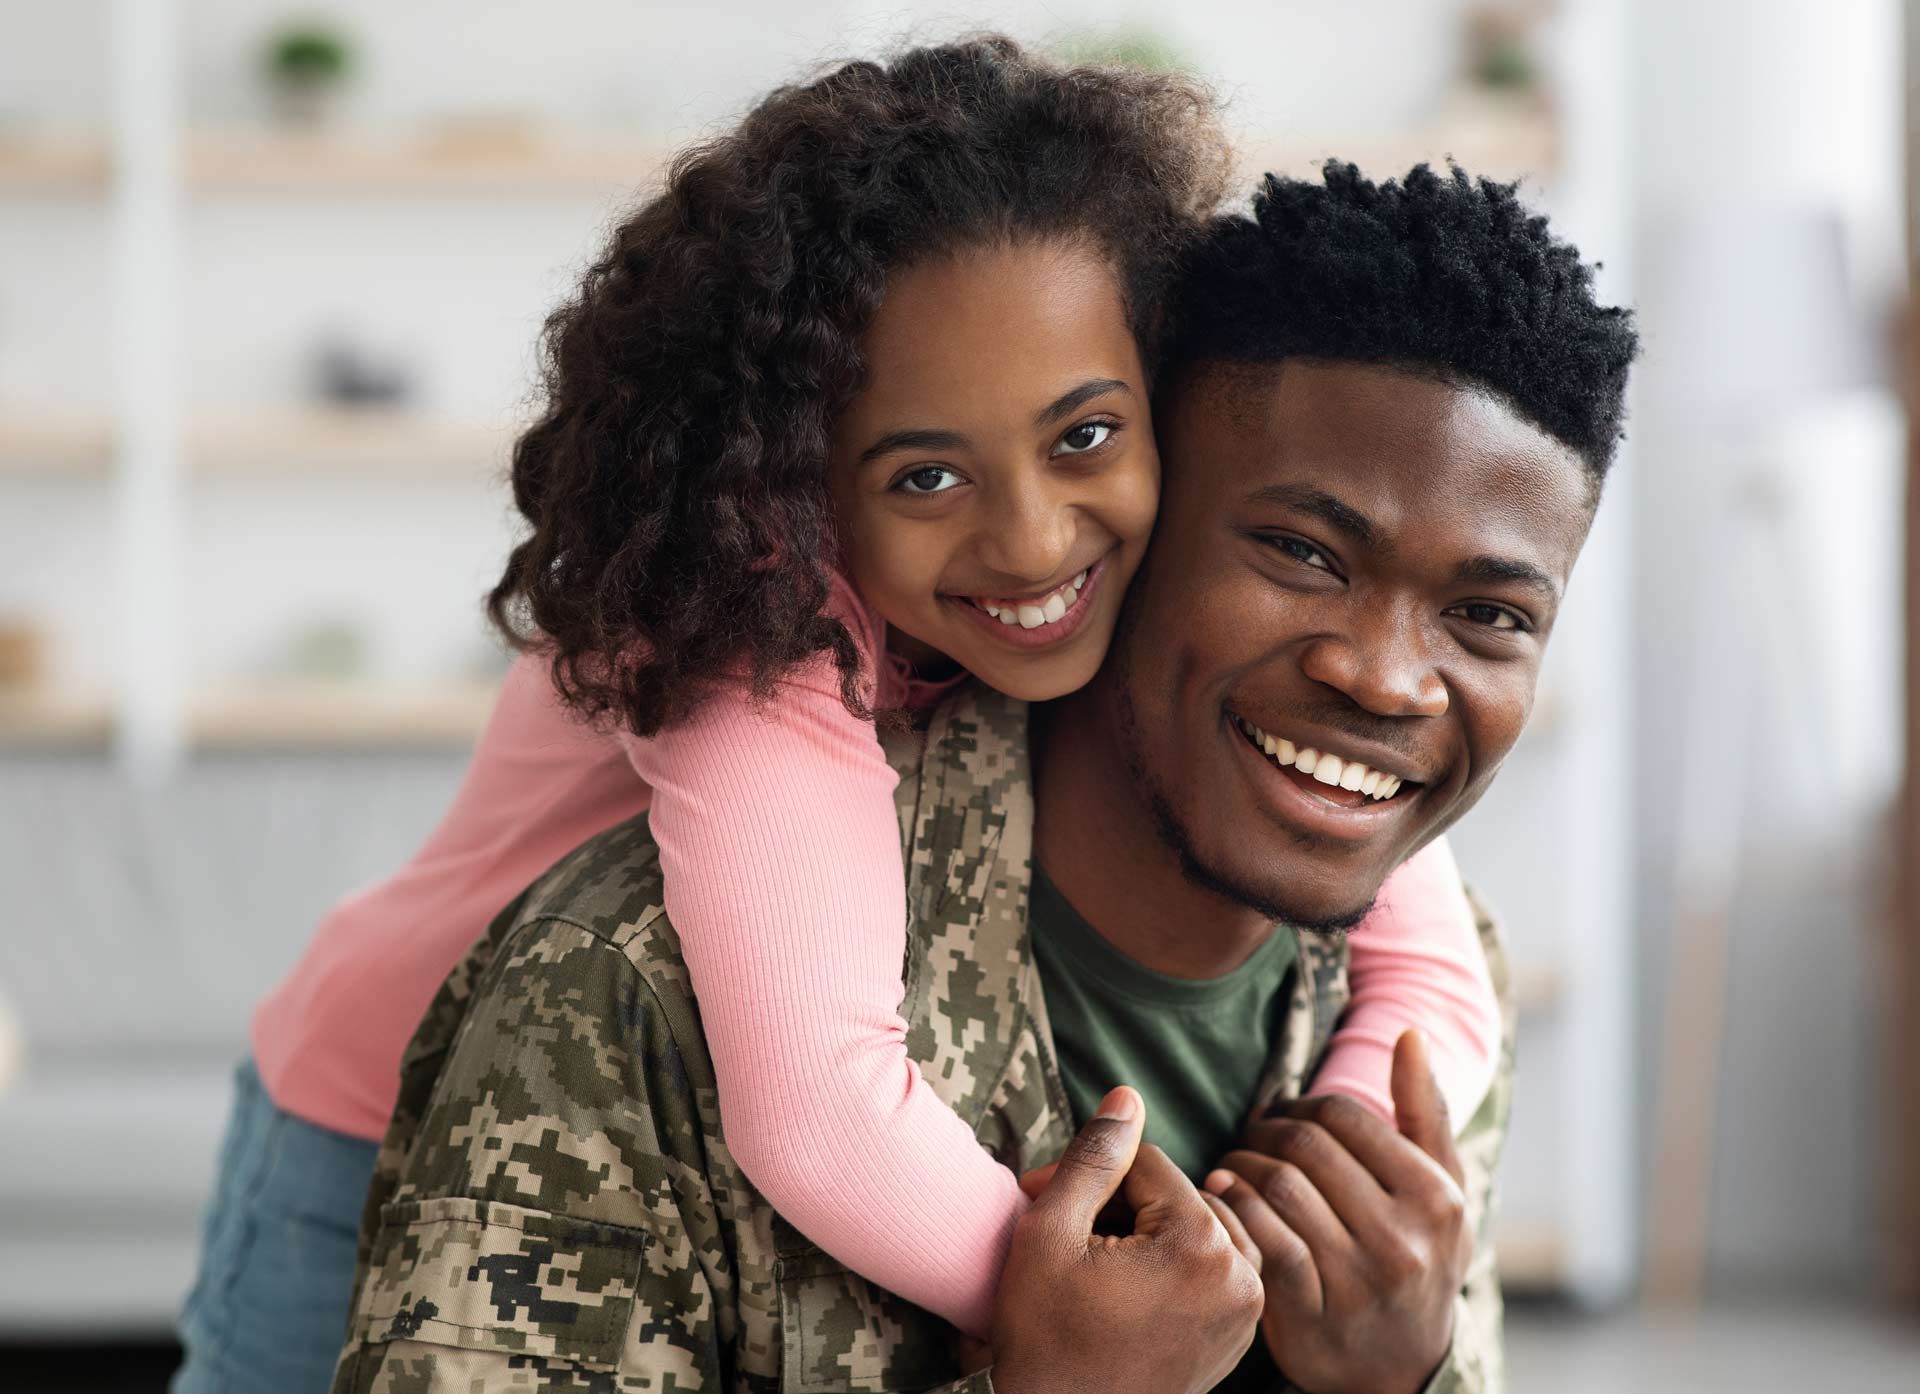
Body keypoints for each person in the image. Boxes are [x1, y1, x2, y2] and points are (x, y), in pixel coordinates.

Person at [173, 39, 1505, 1394]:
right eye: (927, 473)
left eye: (1085, 436)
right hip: (377, 1116)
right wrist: (1118, 1312)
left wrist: (1352, 1163)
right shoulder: (750, 624)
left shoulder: (1170, 580)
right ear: (801, 473)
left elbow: (1432, 963)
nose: (1036, 537)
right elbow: (816, 1109)